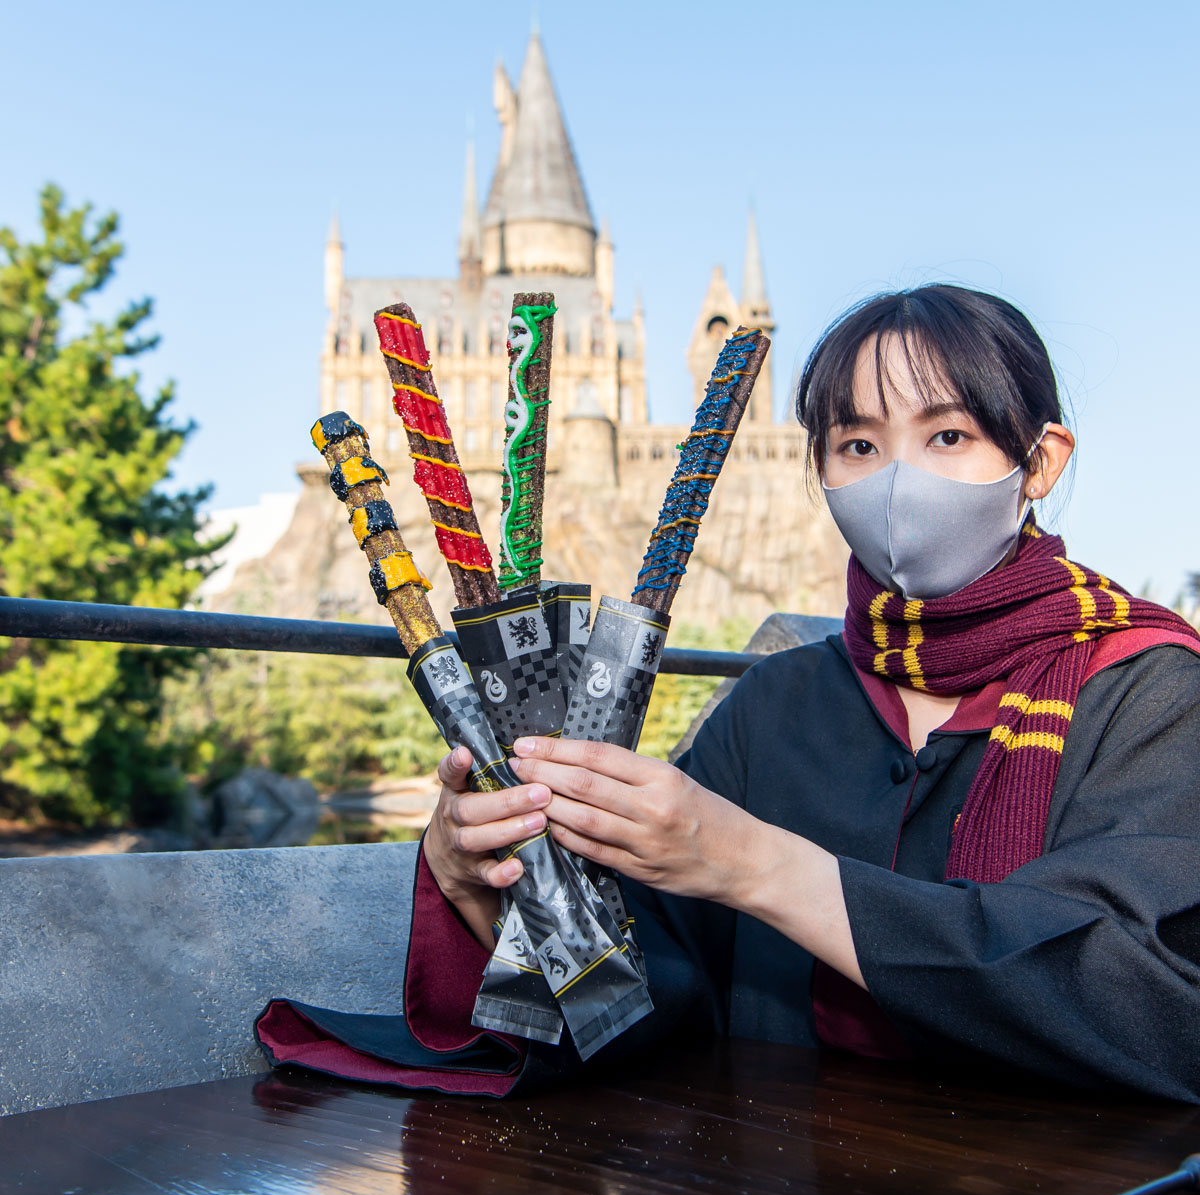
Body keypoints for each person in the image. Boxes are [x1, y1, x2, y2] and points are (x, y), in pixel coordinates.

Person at [259, 285, 1200, 1101]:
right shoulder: (777, 704)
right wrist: (491, 883)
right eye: (858, 444)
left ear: (1040, 461)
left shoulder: (1150, 692)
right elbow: (645, 989)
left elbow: (1155, 1003)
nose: (897, 480)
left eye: (947, 435)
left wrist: (753, 864)